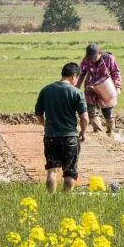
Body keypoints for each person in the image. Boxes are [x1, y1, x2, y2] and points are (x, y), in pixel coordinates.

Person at [35, 63, 88, 193]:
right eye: (77, 78)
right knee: (70, 172)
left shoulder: (46, 90)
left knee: (51, 170)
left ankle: (50, 197)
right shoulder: (76, 92)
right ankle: (66, 199)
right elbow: (85, 118)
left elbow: (39, 114)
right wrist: (83, 132)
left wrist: (46, 125)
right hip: (70, 137)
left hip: (50, 137)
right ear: (74, 76)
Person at [76, 43, 122, 135]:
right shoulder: (86, 60)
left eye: (94, 57)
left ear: (100, 53)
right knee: (91, 111)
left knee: (107, 111)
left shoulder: (109, 58)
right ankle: (98, 131)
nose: (92, 59)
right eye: (90, 57)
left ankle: (110, 131)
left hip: (106, 86)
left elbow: (115, 72)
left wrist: (117, 86)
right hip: (91, 86)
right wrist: (76, 87)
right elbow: (81, 73)